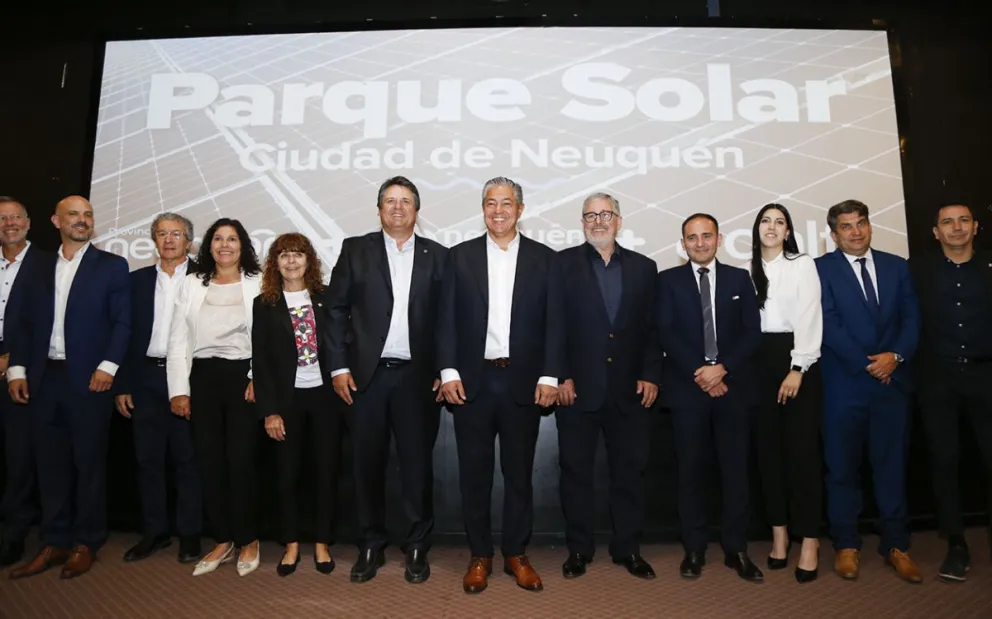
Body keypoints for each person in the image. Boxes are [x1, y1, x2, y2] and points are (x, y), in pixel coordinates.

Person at [438, 176, 562, 594]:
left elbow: (555, 323)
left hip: (523, 382)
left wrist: (549, 375)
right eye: (490, 203)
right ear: (483, 209)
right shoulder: (459, 257)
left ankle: (515, 553)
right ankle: (479, 555)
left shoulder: (546, 259)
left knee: (519, 475)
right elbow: (445, 319)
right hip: (473, 381)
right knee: (474, 475)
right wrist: (449, 371)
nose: (498, 211)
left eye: (506, 203)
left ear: (520, 209)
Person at [326, 176, 447, 584]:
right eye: (390, 201)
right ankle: (370, 544)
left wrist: (444, 368)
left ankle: (417, 546)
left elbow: (448, 319)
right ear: (378, 209)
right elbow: (335, 310)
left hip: (418, 378)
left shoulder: (438, 256)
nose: (398, 207)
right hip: (365, 379)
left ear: (417, 210)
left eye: (406, 201)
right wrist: (339, 367)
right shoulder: (355, 249)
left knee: (416, 467)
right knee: (366, 465)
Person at [7, 195, 130, 579]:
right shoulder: (38, 266)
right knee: (49, 466)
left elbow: (122, 322)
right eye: (73, 214)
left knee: (88, 464)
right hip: (44, 380)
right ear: (55, 220)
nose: (82, 220)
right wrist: (17, 370)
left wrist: (108, 367)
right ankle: (55, 539)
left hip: (90, 380)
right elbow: (22, 321)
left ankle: (86, 542)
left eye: (87, 214)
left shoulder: (111, 265)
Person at [550, 192, 660, 580]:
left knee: (629, 473)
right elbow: (554, 325)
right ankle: (579, 550)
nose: (598, 221)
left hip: (629, 390)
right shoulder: (561, 264)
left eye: (605, 214)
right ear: (582, 222)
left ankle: (628, 549)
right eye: (590, 215)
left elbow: (652, 329)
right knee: (575, 473)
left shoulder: (645, 268)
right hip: (576, 390)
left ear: (619, 220)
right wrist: (560, 375)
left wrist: (651, 373)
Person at [815, 199, 922, 583]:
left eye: (861, 223)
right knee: (842, 469)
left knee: (892, 467)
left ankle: (897, 544)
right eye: (846, 226)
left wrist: (895, 356)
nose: (856, 231)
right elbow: (826, 322)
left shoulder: (897, 266)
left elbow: (912, 318)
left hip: (892, 384)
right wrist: (868, 364)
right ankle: (847, 545)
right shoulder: (819, 269)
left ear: (870, 226)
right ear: (833, 234)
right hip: (844, 385)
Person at [656, 213, 763, 582]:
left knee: (735, 472)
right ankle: (694, 548)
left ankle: (736, 548)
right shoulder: (667, 281)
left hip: (733, 390)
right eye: (692, 237)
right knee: (691, 473)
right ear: (682, 243)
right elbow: (666, 332)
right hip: (688, 390)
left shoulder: (739, 279)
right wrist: (702, 372)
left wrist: (723, 369)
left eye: (706, 236)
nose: (699, 243)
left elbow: (752, 332)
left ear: (719, 239)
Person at [166, 217, 262, 577]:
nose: (225, 245)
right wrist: (179, 390)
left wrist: (257, 377)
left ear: (243, 245)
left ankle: (248, 538)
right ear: (208, 246)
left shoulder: (258, 282)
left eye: (232, 239)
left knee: (241, 462)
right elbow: (177, 339)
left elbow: (268, 338)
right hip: (202, 378)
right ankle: (223, 539)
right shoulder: (192, 284)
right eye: (218, 239)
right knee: (209, 462)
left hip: (242, 378)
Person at [253, 232, 343, 576]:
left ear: (309, 261)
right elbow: (261, 361)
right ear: (275, 263)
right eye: (284, 255)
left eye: (298, 254)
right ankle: (290, 545)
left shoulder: (326, 298)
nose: (291, 261)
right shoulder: (265, 304)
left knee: (325, 473)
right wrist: (270, 411)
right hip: (285, 401)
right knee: (286, 475)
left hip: (325, 398)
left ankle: (322, 543)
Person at [115, 213, 202, 564]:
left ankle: (190, 534)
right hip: (145, 377)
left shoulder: (205, 278)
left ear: (189, 242)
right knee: (147, 460)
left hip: (188, 379)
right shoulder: (135, 281)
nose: (168, 240)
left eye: (176, 234)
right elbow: (123, 333)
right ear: (153, 240)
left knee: (187, 459)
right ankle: (155, 532)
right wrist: (123, 383)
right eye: (162, 234)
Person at [912, 203, 992, 581]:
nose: (956, 227)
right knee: (945, 461)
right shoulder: (917, 271)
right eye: (947, 222)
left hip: (986, 375)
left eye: (963, 220)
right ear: (936, 232)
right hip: (937, 379)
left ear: (975, 227)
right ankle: (956, 543)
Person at [747, 203, 824, 583]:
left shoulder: (802, 265)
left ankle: (810, 540)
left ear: (789, 231)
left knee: (802, 455)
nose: (772, 227)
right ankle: (779, 535)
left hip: (796, 363)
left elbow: (810, 317)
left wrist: (797, 368)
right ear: (756, 228)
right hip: (757, 366)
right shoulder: (745, 270)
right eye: (766, 221)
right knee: (768, 456)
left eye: (780, 222)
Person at [0, 197, 48, 568]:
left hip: (23, 372)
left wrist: (13, 358)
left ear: (29, 222)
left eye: (16, 217)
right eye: (2, 218)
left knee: (18, 459)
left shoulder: (49, 265)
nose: (10, 223)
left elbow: (48, 323)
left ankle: (12, 535)